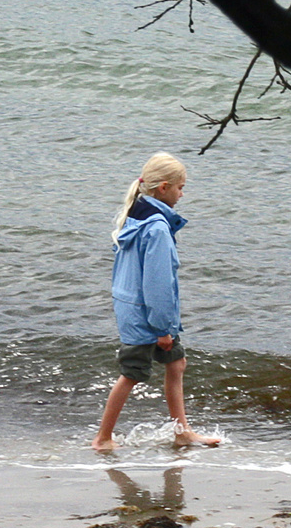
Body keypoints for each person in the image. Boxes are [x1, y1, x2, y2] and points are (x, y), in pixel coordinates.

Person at [91, 152, 224, 452]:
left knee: (176, 364)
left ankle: (182, 431)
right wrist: (162, 328)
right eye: (180, 187)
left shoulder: (135, 216)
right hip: (148, 316)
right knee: (131, 374)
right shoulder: (157, 228)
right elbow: (158, 284)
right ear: (163, 187)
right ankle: (102, 438)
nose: (182, 193)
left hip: (133, 308)